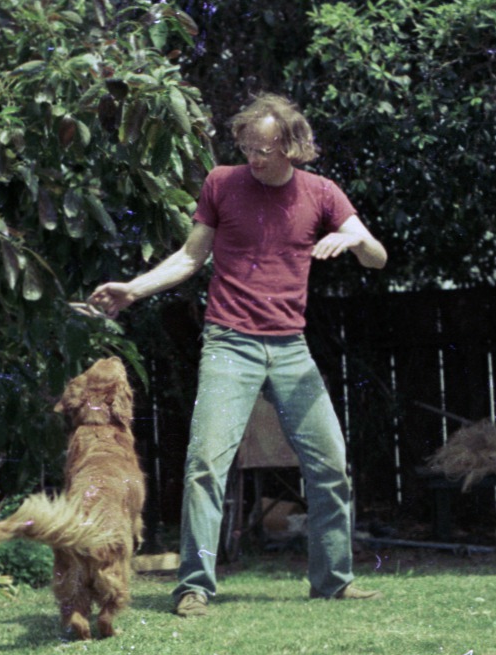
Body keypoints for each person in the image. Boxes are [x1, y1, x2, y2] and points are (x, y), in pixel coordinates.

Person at [88, 93, 388, 616]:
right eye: (247, 147)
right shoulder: (222, 184)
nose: (254, 158)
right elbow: (189, 256)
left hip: (291, 348)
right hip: (230, 342)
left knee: (331, 467)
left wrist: (352, 241)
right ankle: (194, 587)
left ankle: (334, 581)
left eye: (265, 150)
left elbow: (377, 257)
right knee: (206, 463)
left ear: (293, 147)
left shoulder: (322, 193)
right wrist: (133, 289)